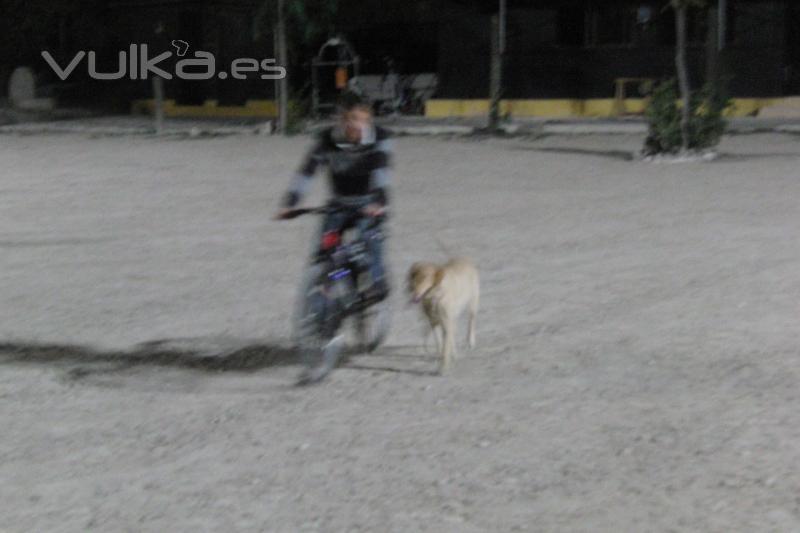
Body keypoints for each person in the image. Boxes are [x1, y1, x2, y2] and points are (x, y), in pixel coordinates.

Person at [275, 91, 392, 301]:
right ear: (342, 119)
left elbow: (382, 172)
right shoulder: (326, 140)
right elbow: (307, 171)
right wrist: (290, 203)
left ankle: (376, 280)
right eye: (353, 119)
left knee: (371, 240)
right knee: (325, 253)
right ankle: (326, 292)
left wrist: (379, 202)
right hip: (338, 204)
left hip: (367, 204)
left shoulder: (379, 138)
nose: (359, 125)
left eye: (365, 120)